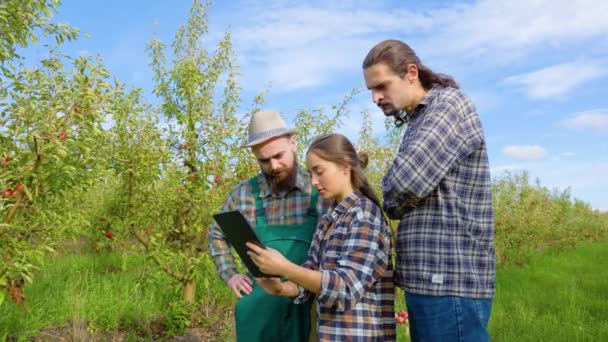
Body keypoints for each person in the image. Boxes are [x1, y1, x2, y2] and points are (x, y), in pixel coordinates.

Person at [362, 39, 496, 341]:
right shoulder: (419, 120)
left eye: (381, 86)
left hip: (450, 282)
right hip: (429, 280)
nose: (375, 97)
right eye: (371, 90)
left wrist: (392, 188)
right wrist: (395, 192)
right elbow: (397, 198)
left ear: (411, 73)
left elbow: (404, 184)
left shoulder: (448, 105)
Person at [246, 133, 396, 341]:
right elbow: (310, 276)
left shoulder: (364, 215)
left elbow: (345, 288)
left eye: (319, 172)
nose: (314, 182)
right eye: (310, 174)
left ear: (345, 167)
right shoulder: (328, 219)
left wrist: (284, 268)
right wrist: (281, 287)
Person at [207, 110, 328, 342]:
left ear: (293, 143)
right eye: (264, 160)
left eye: (279, 155)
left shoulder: (320, 191)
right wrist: (230, 274)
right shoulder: (244, 195)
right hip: (258, 309)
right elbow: (216, 235)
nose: (274, 166)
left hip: (308, 306)